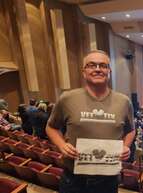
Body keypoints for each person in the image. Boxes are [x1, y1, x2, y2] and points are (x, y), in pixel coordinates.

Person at [46, 50, 136, 193]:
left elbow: (130, 130)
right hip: (73, 180)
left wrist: (126, 146)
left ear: (109, 71)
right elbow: (51, 127)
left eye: (103, 65)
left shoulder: (124, 102)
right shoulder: (67, 98)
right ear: (84, 71)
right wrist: (61, 145)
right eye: (91, 65)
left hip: (108, 181)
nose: (98, 69)